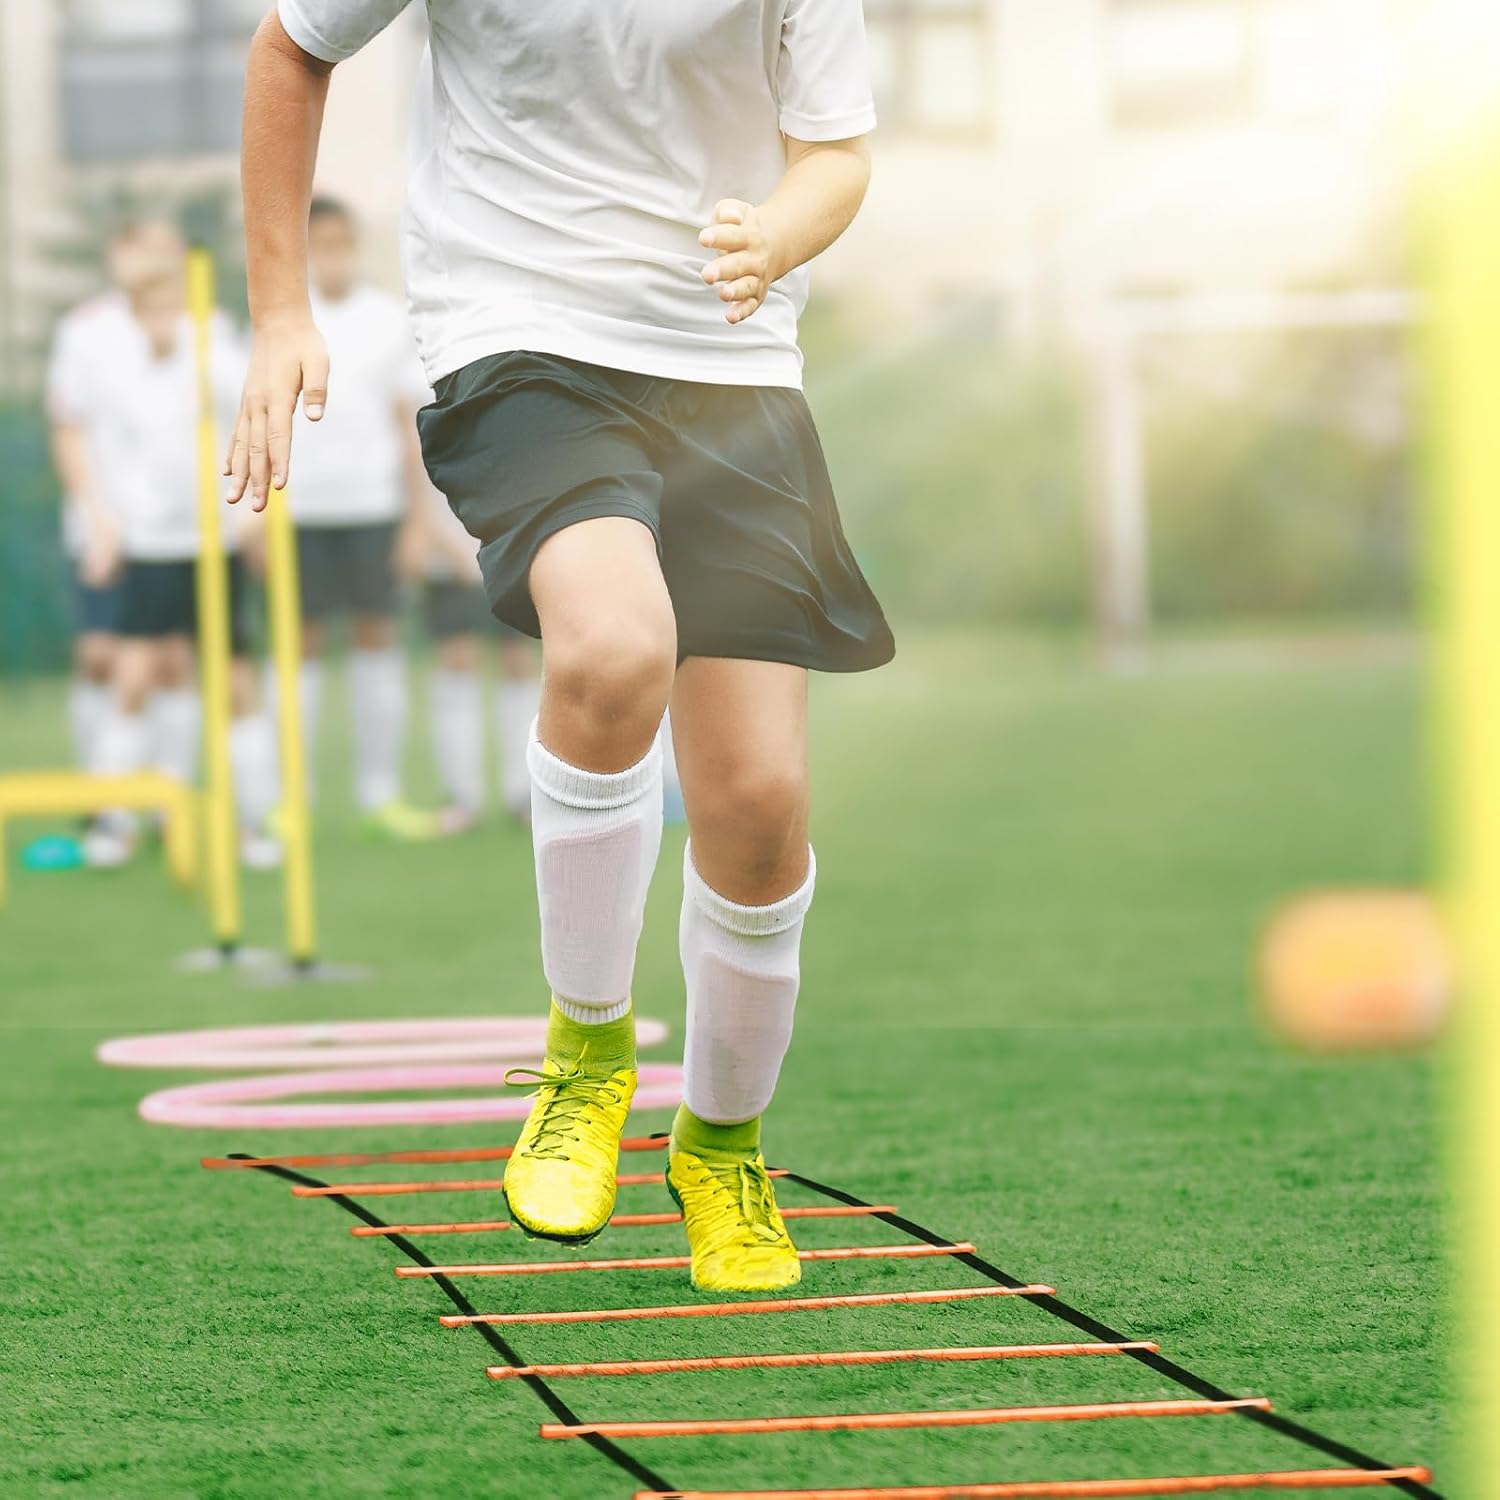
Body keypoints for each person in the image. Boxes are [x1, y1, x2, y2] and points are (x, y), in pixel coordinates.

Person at [230, 0, 893, 1293]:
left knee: (758, 804)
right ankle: (588, 1055)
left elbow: (837, 152)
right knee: (612, 650)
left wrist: (778, 231)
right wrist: (278, 312)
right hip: (520, 336)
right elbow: (290, 47)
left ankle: (721, 1147)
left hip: (731, 360)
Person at [82, 256, 281, 870]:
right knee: (135, 676)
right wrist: (106, 530)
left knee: (236, 685)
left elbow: (254, 429)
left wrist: (254, 520)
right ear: (136, 314)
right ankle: (114, 822)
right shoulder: (118, 377)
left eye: (172, 304)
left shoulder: (219, 362)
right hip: (151, 547)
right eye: (151, 307)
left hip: (213, 545)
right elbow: (106, 458)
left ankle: (252, 823)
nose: (163, 318)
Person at [277, 195, 434, 839]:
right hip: (297, 509)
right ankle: (291, 801)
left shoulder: (387, 320)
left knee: (377, 638)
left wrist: (416, 519)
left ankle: (381, 794)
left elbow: (408, 428)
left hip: (373, 507)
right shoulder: (281, 321)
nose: (331, 255)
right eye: (319, 243)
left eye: (341, 241)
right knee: (300, 648)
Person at [47, 221, 183, 782]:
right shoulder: (85, 330)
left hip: (180, 530)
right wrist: (96, 519)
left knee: (171, 661)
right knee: (102, 656)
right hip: (109, 524)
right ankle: (101, 795)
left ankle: (165, 801)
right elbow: (69, 427)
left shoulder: (208, 325)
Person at [418, 472, 540, 833]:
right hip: (447, 553)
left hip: (513, 546)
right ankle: (462, 798)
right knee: (457, 663)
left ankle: (524, 793)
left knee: (517, 662)